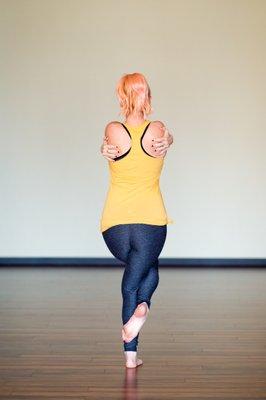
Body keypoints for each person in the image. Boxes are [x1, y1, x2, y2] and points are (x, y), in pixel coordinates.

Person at [100, 72, 174, 368]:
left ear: (121, 96)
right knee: (142, 277)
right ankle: (142, 310)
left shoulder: (112, 129)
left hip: (114, 225)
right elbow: (167, 139)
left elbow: (107, 148)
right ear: (148, 96)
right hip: (150, 223)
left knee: (139, 271)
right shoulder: (157, 129)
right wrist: (170, 137)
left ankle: (131, 356)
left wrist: (101, 148)